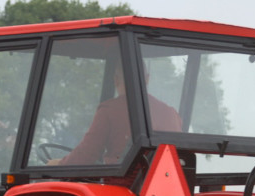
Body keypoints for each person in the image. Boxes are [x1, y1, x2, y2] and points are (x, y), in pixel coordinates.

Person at [49, 65, 181, 166]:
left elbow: (87, 154)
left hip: (124, 184)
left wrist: (59, 164)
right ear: (147, 79)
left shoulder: (110, 110)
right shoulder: (171, 113)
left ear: (116, 80)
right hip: (163, 186)